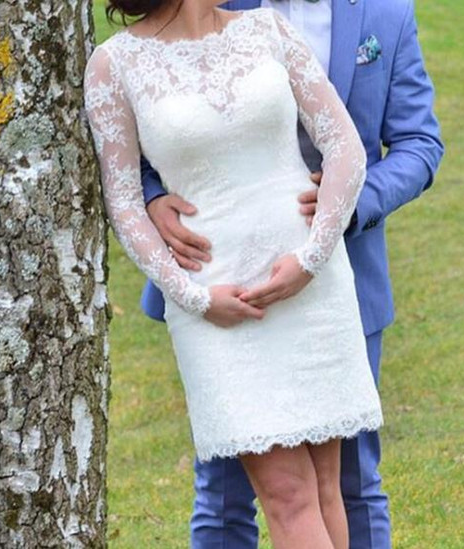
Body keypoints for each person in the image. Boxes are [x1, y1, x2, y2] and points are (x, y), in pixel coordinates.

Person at [139, 0, 444, 547]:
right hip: (223, 282)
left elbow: (419, 143)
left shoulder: (386, 15)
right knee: (225, 493)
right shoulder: (209, 6)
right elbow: (148, 113)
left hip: (340, 284)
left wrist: (344, 206)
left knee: (352, 483)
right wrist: (151, 196)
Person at [86, 0, 387, 547]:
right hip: (217, 302)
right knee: (288, 495)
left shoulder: (268, 29)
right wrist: (194, 297)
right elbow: (124, 202)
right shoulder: (114, 63)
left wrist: (312, 258)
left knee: (326, 489)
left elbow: (345, 147)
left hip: (312, 284)